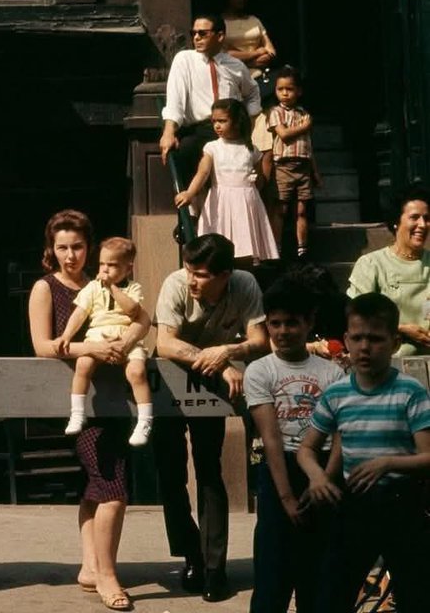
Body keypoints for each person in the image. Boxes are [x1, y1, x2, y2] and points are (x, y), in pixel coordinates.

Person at [151, 233, 269, 603]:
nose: (192, 280)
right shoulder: (175, 285)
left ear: (224, 275)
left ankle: (215, 567)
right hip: (170, 382)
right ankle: (192, 556)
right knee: (170, 472)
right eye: (189, 270)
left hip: (208, 385)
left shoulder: (244, 285)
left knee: (209, 469)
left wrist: (227, 351)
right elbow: (165, 343)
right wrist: (220, 365)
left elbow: (259, 338)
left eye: (201, 274)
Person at [27, 209, 133, 612]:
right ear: (50, 251)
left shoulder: (105, 283)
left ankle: (91, 567)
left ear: (89, 247)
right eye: (62, 248)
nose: (70, 255)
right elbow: (42, 344)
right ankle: (108, 576)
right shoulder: (45, 287)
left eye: (76, 247)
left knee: (97, 485)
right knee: (112, 488)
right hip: (74, 400)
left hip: (111, 398)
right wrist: (92, 348)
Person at [297, 292, 430, 613]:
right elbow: (307, 448)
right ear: (346, 339)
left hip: (403, 504)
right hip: (355, 503)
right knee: (333, 593)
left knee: (416, 595)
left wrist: (386, 463)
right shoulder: (338, 393)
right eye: (357, 338)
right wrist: (316, 477)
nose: (365, 347)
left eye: (376, 339)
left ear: (395, 342)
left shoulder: (410, 392)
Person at [243, 278, 344, 613]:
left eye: (292, 323)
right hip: (278, 471)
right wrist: (285, 497)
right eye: (276, 323)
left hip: (323, 469)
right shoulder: (259, 371)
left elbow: (339, 433)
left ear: (309, 323)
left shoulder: (331, 374)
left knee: (317, 577)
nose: (283, 331)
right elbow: (270, 436)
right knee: (273, 574)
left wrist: (326, 480)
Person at [54, 235, 154, 447]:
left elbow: (133, 310)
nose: (105, 269)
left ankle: (145, 420)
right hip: (97, 334)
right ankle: (77, 413)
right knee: (83, 364)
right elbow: (80, 313)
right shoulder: (92, 287)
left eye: (112, 265)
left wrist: (112, 288)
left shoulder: (132, 288)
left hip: (125, 334)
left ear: (128, 269)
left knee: (137, 372)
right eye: (101, 264)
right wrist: (67, 335)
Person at [159, 15, 261, 190]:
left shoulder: (235, 66)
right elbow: (175, 99)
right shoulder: (185, 60)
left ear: (219, 36)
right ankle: (192, 214)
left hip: (231, 131)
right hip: (199, 130)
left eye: (202, 33)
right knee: (188, 166)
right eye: (194, 33)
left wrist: (248, 122)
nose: (196, 38)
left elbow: (252, 93)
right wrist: (169, 132)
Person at [175, 99, 278, 266]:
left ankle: (243, 278)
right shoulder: (212, 147)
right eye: (214, 121)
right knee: (216, 251)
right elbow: (203, 172)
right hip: (221, 202)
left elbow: (259, 176)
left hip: (245, 203)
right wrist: (190, 193)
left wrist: (253, 187)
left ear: (237, 122)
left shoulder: (251, 149)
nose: (217, 125)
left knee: (245, 249)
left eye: (222, 121)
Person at [346, 184, 430, 356]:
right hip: (386, 357)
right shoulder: (372, 264)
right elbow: (358, 316)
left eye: (427, 218)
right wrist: (401, 329)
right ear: (395, 222)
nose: (422, 225)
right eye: (414, 217)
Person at [267, 67, 320, 257]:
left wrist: (315, 172)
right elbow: (284, 135)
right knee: (281, 208)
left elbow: (309, 146)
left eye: (289, 89)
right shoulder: (276, 112)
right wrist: (304, 127)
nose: (284, 93)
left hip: (303, 165)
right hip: (284, 166)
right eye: (280, 89)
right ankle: (276, 247)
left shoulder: (302, 113)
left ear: (298, 91)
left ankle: (302, 247)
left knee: (301, 210)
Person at [221, 0, 276, 95]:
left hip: (259, 80)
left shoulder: (254, 20)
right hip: (232, 80)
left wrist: (242, 60)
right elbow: (225, 56)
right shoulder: (219, 23)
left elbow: (270, 51)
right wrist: (255, 54)